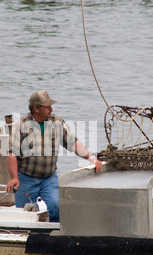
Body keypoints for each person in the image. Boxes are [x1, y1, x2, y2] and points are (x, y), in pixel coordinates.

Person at [6, 89, 102, 222]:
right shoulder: (21, 125)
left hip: (48, 179)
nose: (51, 108)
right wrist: (14, 178)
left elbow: (73, 143)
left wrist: (92, 158)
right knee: (23, 213)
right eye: (47, 106)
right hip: (25, 179)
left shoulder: (56, 122)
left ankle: (53, 233)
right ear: (36, 108)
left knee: (56, 206)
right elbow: (12, 154)